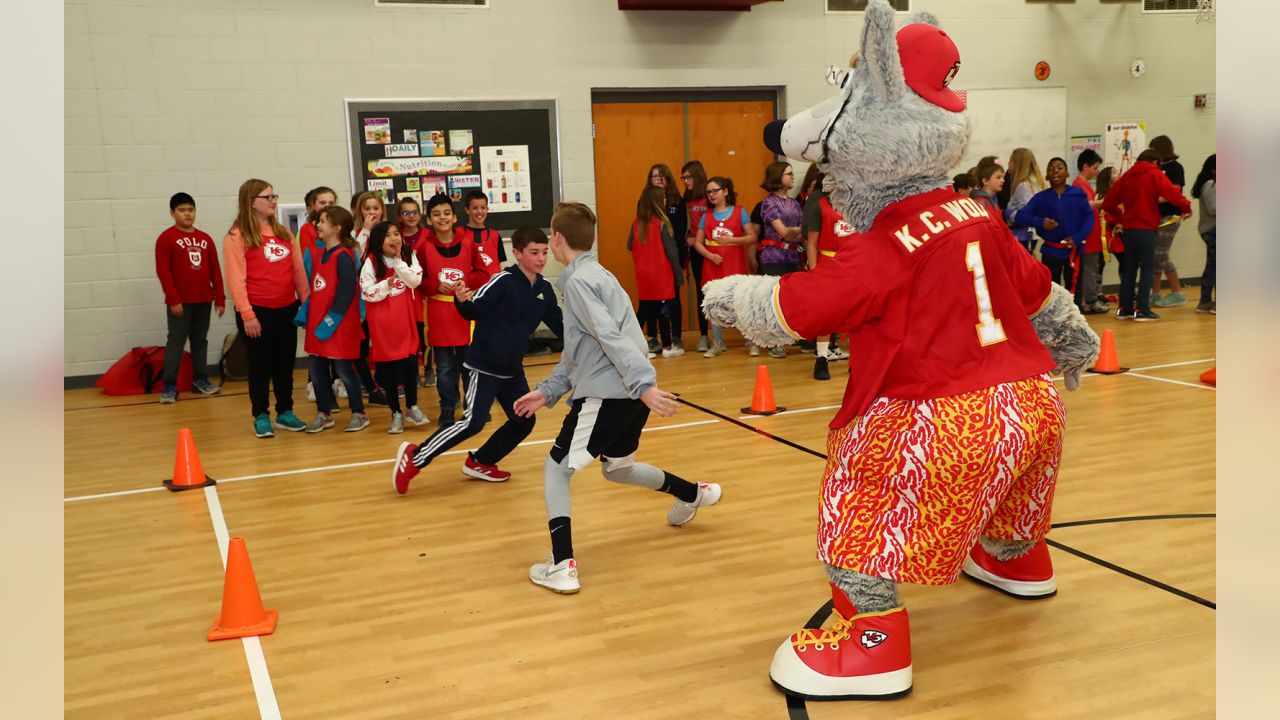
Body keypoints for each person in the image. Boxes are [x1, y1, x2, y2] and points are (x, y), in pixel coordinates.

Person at [508, 202, 719, 594]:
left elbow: (610, 336)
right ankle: (694, 493)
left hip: (610, 395)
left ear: (556, 239)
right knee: (618, 468)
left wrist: (643, 385)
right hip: (624, 395)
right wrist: (549, 390)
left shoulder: (579, 283)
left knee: (557, 469)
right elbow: (582, 351)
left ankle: (562, 564)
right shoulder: (597, 274)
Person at [392, 227, 564, 493]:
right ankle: (415, 457)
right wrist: (461, 301)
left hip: (512, 371)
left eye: (544, 252)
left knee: (523, 421)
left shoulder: (544, 290)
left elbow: (559, 325)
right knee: (473, 421)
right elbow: (473, 310)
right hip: (483, 366)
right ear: (517, 253)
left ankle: (481, 461)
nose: (541, 258)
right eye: (534, 253)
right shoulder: (502, 281)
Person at [222, 178, 310, 438]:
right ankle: (261, 415)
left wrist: (305, 303)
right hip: (257, 311)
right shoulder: (237, 236)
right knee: (260, 367)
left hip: (286, 309)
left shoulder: (283, 233)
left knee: (284, 364)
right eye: (267, 197)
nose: (273, 201)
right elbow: (236, 280)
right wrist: (247, 314)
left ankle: (285, 412)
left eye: (274, 196)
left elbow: (298, 272)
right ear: (251, 202)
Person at [414, 193, 498, 426]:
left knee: (470, 366)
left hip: (465, 314)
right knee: (444, 368)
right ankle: (448, 408)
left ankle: (475, 407)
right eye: (436, 214)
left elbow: (482, 274)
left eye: (446, 213)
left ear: (454, 216)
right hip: (439, 315)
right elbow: (418, 280)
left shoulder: (468, 242)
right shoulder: (424, 247)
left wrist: (467, 282)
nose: (442, 218)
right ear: (429, 220)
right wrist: (433, 285)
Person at [1102, 149, 1193, 322]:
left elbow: (1108, 203)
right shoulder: (1154, 174)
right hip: (1146, 228)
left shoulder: (1127, 176)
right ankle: (1142, 309)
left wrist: (1122, 218)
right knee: (1148, 268)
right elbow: (1172, 193)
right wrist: (1186, 208)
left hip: (1128, 230)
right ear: (1156, 162)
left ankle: (1125, 308)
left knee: (1129, 269)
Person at [300, 206, 369, 433]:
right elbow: (318, 290)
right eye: (318, 221)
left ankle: (359, 413)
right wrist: (306, 315)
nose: (318, 225)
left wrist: (330, 323)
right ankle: (324, 414)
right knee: (318, 373)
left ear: (337, 228)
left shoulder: (344, 256)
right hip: (317, 326)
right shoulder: (321, 254)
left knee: (344, 371)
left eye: (323, 221)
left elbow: (347, 293)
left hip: (336, 326)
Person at [154, 192, 225, 403]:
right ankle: (169, 386)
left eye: (191, 210)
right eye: (182, 210)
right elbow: (163, 271)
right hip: (180, 303)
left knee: (200, 341)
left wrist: (219, 298)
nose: (187, 214)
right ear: (172, 213)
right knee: (176, 342)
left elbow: (215, 269)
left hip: (204, 299)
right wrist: (173, 298)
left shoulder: (205, 238)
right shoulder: (166, 238)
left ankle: (200, 380)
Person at [361, 221, 429, 434]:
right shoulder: (372, 261)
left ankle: (412, 406)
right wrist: (384, 286)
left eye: (396, 234)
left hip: (406, 321)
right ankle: (396, 413)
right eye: (388, 235)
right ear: (378, 241)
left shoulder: (409, 257)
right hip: (382, 324)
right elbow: (366, 292)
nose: (394, 239)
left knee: (410, 365)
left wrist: (398, 263)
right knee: (389, 370)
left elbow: (415, 281)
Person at [693, 177, 756, 357]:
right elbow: (698, 243)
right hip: (713, 267)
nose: (712, 194)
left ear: (726, 192)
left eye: (715, 190)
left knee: (741, 304)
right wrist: (710, 255)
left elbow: (752, 237)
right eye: (709, 192)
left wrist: (732, 240)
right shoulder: (707, 216)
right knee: (714, 305)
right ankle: (717, 342)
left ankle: (752, 341)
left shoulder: (739, 212)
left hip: (734, 265)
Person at [802, 173, 854, 381]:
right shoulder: (820, 206)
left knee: (856, 314)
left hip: (852, 265)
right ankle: (822, 357)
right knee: (826, 314)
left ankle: (856, 360)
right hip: (828, 264)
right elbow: (812, 244)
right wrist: (814, 272)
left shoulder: (857, 206)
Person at [1015, 157, 1093, 290]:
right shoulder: (1041, 198)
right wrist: (1040, 222)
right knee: (1052, 291)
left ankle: (1074, 311)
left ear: (1067, 174)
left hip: (1073, 251)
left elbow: (1089, 218)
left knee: (1074, 291)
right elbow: (1020, 216)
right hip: (1051, 252)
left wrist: (1078, 238)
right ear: (1046, 177)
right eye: (1051, 169)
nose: (1055, 171)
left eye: (1059, 168)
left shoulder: (1077, 194)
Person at [629, 185, 683, 358]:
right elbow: (672, 252)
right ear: (658, 202)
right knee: (664, 311)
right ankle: (667, 347)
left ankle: (633, 345)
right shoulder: (662, 224)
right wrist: (679, 275)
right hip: (661, 275)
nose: (666, 200)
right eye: (664, 198)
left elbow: (630, 245)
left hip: (643, 275)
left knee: (644, 310)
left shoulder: (637, 223)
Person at [759, 161, 805, 359]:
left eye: (792, 173)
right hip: (773, 257)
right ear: (778, 177)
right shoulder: (769, 203)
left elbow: (803, 232)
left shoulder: (794, 203)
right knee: (774, 300)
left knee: (794, 298)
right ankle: (774, 342)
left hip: (793, 256)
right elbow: (784, 232)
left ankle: (794, 337)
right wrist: (796, 232)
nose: (792, 177)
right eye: (788, 174)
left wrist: (795, 233)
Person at [299, 186, 338, 405]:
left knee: (333, 341)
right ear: (312, 206)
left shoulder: (340, 230)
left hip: (335, 294)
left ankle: (335, 382)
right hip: (317, 292)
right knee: (316, 342)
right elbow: (312, 261)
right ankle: (314, 382)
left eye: (331, 202)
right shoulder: (307, 231)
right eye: (323, 203)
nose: (327, 206)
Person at [647, 164, 688, 351]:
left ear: (668, 179)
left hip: (672, 257)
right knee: (651, 299)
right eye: (654, 176)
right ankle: (652, 336)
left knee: (673, 298)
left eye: (661, 176)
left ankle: (676, 336)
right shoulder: (645, 202)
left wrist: (678, 260)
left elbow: (679, 233)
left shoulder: (677, 201)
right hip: (652, 260)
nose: (658, 179)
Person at [396, 195, 435, 389]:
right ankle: (408, 373)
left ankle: (428, 369)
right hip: (402, 294)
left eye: (414, 212)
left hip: (424, 294)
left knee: (425, 334)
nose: (410, 216)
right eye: (405, 212)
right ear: (399, 216)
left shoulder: (429, 235)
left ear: (420, 214)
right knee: (406, 334)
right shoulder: (394, 235)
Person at [1148, 135, 1189, 307]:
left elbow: (1176, 190)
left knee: (1161, 254)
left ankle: (1177, 292)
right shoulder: (1158, 168)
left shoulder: (1175, 168)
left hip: (1170, 217)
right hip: (1157, 217)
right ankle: (1155, 293)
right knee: (1154, 256)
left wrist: (1152, 199)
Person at [1071, 149, 1108, 313]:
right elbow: (1085, 205)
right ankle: (1091, 301)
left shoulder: (1084, 185)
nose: (1096, 171)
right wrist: (1103, 202)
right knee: (1089, 270)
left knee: (1091, 268)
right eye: (1094, 167)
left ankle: (1090, 299)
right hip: (1087, 236)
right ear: (1085, 166)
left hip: (1092, 234)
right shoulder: (1079, 185)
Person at [681, 161, 712, 352]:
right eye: (683, 178)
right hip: (696, 250)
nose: (685, 181)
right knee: (700, 291)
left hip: (713, 248)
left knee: (716, 290)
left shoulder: (710, 196)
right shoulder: (686, 197)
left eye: (688, 177)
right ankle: (703, 335)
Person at [1004, 147, 1047, 254]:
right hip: (1027, 235)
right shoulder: (1034, 183)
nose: (1008, 163)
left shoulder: (1025, 186)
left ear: (1018, 164)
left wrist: (1007, 212)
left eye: (1011, 161)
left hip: (1023, 237)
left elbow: (1025, 216)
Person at [458, 190, 506, 275]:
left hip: (491, 286)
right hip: (468, 286)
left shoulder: (495, 235)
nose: (480, 211)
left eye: (483, 208)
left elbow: (499, 264)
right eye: (475, 208)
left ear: (487, 209)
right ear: (467, 210)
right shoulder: (458, 234)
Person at [1191, 154, 1216, 314]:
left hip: (1211, 230)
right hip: (1213, 230)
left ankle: (1205, 302)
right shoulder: (1210, 185)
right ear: (1214, 170)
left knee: (1212, 266)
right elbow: (1213, 209)